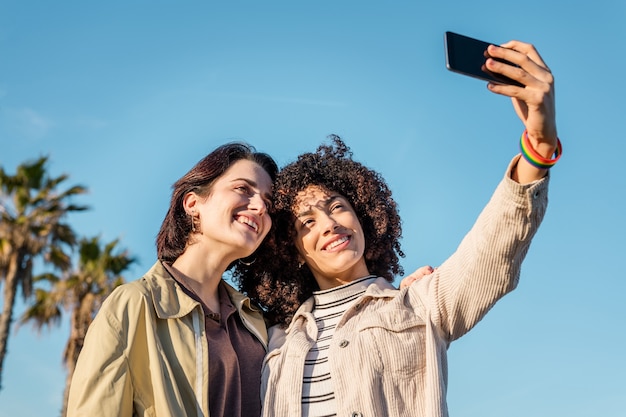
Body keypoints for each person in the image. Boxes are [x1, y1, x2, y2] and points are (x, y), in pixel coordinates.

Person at [240, 40, 561, 416]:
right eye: (307, 223)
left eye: (338, 207)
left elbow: (493, 248)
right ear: (292, 250)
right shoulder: (271, 339)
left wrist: (538, 148)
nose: (328, 224)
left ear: (364, 218)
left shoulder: (420, 303)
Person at [66, 142, 278, 417]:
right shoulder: (134, 306)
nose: (261, 206)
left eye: (268, 201)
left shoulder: (256, 323)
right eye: (243, 189)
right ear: (193, 204)